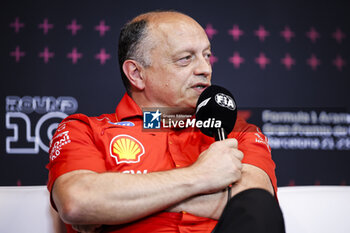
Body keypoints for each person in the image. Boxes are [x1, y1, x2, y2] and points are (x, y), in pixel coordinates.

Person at [47, 10, 285, 233]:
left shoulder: (235, 130)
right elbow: (78, 201)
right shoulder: (84, 130)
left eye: (207, 56)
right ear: (137, 74)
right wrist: (201, 176)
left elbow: (254, 204)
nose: (205, 69)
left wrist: (119, 203)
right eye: (185, 59)